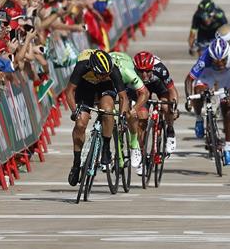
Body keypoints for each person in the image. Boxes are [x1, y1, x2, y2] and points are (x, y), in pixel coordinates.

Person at [66, 49, 130, 186]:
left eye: (106, 74)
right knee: (80, 124)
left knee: (108, 110)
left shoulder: (112, 69)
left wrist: (123, 115)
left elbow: (123, 97)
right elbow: (69, 91)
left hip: (105, 88)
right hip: (85, 87)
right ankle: (76, 163)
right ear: (93, 68)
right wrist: (74, 111)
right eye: (101, 74)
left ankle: (106, 147)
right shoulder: (82, 66)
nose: (103, 75)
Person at [185, 38, 230, 166]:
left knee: (228, 108)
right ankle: (199, 118)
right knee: (199, 92)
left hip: (227, 77)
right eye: (216, 61)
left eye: (223, 60)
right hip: (208, 73)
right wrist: (189, 99)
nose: (220, 63)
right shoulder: (204, 59)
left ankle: (227, 147)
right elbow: (189, 80)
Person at [131, 51, 180, 170]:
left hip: (158, 85)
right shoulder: (131, 71)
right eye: (140, 71)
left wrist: (174, 107)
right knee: (142, 118)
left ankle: (170, 131)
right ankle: (142, 154)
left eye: (147, 71)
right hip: (140, 89)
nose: (144, 75)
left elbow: (172, 90)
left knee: (166, 106)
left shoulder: (160, 69)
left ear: (152, 68)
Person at [108, 51, 150, 173]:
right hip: (109, 80)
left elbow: (145, 93)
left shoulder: (128, 73)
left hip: (126, 82)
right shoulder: (102, 72)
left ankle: (134, 144)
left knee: (130, 112)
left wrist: (134, 109)